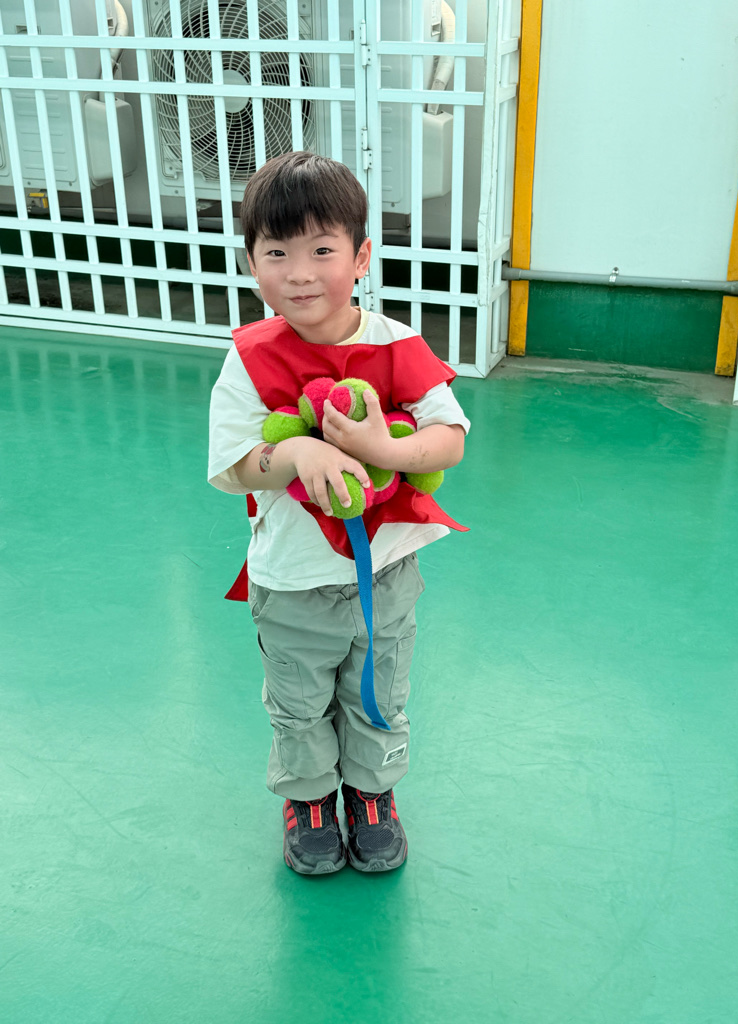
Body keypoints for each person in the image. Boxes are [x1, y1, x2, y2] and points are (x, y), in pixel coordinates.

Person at [207, 150, 470, 875]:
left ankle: (372, 792)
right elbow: (232, 466)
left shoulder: (397, 345)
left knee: (377, 689)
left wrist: (385, 446)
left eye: (322, 250)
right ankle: (311, 799)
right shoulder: (249, 359)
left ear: (360, 257)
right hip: (292, 579)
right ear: (252, 263)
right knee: (298, 702)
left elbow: (450, 437)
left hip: (386, 572)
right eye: (276, 253)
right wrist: (298, 453)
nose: (299, 273)